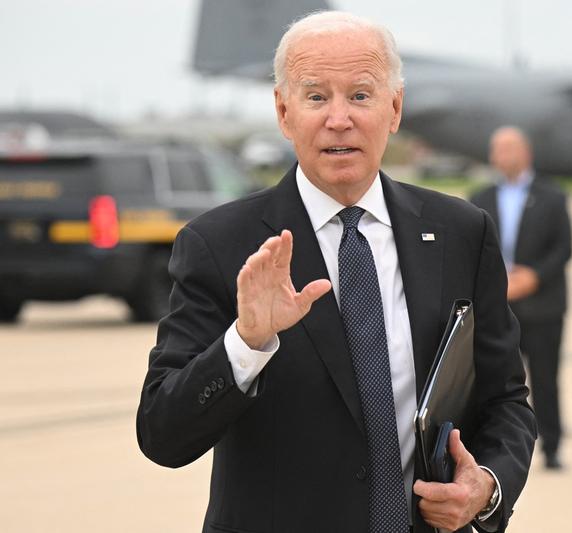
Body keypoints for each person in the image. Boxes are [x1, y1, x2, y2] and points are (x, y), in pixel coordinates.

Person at [136, 11, 535, 533]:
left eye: (361, 96)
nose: (339, 119)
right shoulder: (219, 244)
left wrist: (485, 485)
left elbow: (505, 398)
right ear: (284, 112)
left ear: (395, 109)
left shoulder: (461, 232)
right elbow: (163, 435)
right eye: (316, 96)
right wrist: (246, 342)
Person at [470, 126, 572, 470]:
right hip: (498, 306)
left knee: (545, 379)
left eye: (510, 148)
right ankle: (491, 450)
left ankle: (553, 447)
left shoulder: (553, 196)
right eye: (497, 149)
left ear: (526, 153)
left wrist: (533, 277)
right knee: (495, 382)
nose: (503, 155)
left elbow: (564, 248)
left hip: (543, 305)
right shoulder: (479, 199)